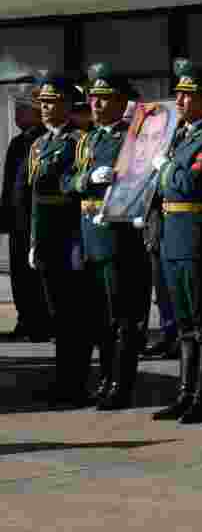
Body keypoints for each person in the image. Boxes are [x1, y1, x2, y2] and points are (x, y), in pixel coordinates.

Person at [65, 63, 151, 410]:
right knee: (97, 318)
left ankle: (121, 383)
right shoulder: (89, 138)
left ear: (120, 102)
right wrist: (85, 181)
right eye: (93, 98)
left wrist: (116, 181)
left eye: (104, 98)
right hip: (90, 234)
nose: (96, 105)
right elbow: (66, 180)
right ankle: (105, 379)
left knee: (122, 317)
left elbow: (142, 181)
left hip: (117, 235)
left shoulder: (131, 138)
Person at [150, 59, 202, 425]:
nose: (179, 101)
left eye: (188, 95)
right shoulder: (181, 135)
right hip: (173, 234)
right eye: (179, 94)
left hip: (198, 235)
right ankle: (184, 395)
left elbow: (189, 183)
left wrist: (163, 167)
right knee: (183, 323)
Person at [28, 76, 89, 406]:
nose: (45, 107)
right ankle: (62, 379)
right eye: (43, 102)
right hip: (48, 238)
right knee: (57, 314)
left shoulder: (78, 141)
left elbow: (79, 189)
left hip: (69, 237)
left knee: (74, 314)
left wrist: (79, 241)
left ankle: (76, 382)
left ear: (67, 104)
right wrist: (35, 240)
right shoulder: (38, 144)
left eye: (52, 102)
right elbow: (35, 198)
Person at [0, 89, 48, 342]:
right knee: (20, 274)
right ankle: (26, 318)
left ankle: (42, 321)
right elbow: (9, 185)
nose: (18, 115)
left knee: (37, 273)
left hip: (37, 218)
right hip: (18, 219)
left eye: (23, 109)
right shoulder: (18, 142)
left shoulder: (45, 139)